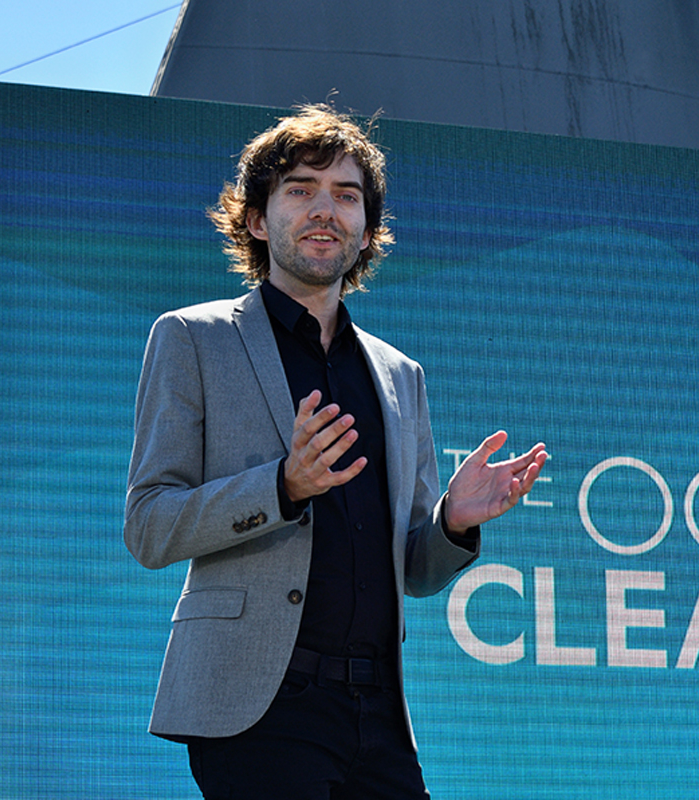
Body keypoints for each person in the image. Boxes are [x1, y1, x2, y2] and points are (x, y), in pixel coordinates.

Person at [124, 104, 547, 799]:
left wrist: (453, 523)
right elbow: (149, 526)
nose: (326, 210)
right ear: (258, 220)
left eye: (347, 196)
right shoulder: (192, 339)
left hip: (378, 716)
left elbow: (415, 570)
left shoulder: (399, 375)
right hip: (259, 709)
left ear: (367, 230)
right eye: (301, 189)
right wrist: (283, 487)